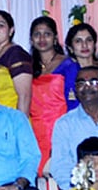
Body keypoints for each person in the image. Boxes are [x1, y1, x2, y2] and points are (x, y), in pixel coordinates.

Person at [29, 16, 79, 175]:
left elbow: (74, 104)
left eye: (47, 34)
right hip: (34, 130)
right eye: (37, 34)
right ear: (31, 39)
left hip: (60, 129)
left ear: (56, 38)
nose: (42, 38)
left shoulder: (69, 65)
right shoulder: (28, 67)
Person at [0, 10, 33, 115]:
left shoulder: (16, 54)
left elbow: (24, 96)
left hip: (11, 121)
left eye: (0, 25)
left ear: (11, 30)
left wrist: (20, 126)